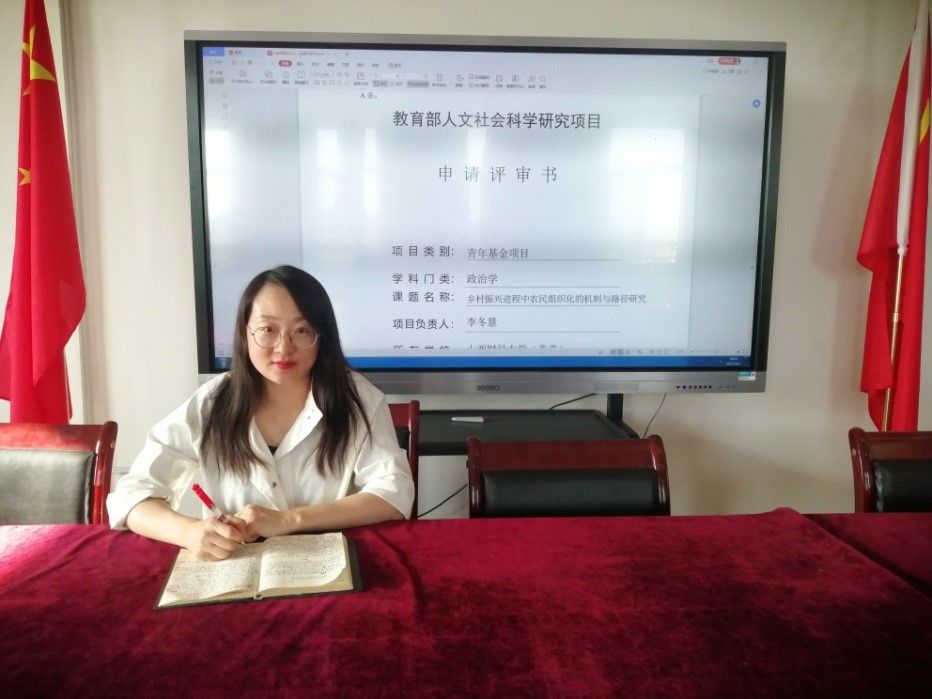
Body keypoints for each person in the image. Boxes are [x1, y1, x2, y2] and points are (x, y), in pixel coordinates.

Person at [107, 265, 414, 560]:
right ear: (245, 333)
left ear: (322, 336)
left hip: (328, 571)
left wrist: (289, 520)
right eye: (268, 329)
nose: (284, 348)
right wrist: (189, 532)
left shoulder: (358, 399)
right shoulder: (211, 403)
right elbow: (131, 496)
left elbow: (395, 491)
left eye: (302, 330)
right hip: (236, 573)